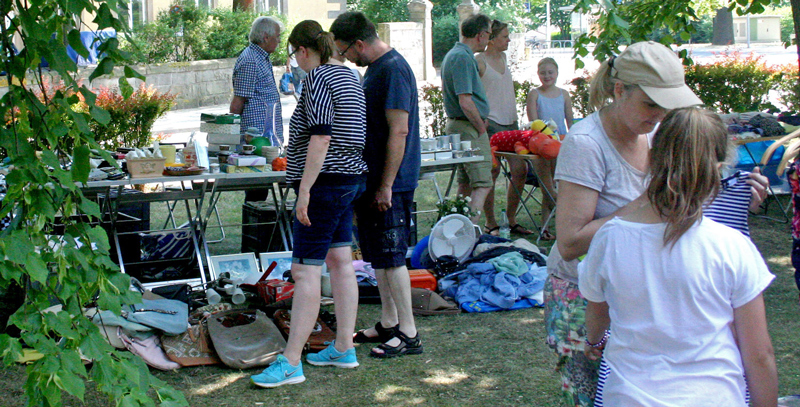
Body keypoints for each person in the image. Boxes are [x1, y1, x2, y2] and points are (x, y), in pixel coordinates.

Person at [544, 41, 770, 406]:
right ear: (619, 90)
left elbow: (679, 213)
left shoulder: (653, 131)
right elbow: (570, 242)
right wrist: (649, 200)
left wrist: (732, 196)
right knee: (591, 394)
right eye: (651, 103)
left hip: (632, 285)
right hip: (585, 294)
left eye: (667, 105)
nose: (660, 114)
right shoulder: (586, 144)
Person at [580, 107, 778, 406]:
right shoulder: (732, 246)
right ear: (719, 167)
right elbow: (759, 354)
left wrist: (595, 341)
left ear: (652, 158)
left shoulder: (609, 239)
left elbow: (597, 311)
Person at [250, 20, 367, 388]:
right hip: (349, 179)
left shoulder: (316, 79)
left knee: (305, 271)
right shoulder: (349, 76)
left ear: (302, 51)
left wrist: (305, 191)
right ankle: (344, 345)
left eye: (293, 56)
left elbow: (320, 137)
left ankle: (290, 361)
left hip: (325, 183)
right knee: (340, 262)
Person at [331, 11, 423, 358]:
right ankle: (389, 320)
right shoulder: (375, 69)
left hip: (392, 183)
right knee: (378, 256)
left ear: (359, 43)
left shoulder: (394, 69)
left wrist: (385, 185)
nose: (345, 58)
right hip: (375, 180)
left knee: (393, 256)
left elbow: (399, 129)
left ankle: (409, 331)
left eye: (345, 51)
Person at [476, 19, 534, 236]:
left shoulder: (503, 57)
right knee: (492, 171)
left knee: (521, 170)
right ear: (491, 38)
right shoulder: (479, 61)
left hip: (511, 122)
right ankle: (490, 222)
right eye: (505, 36)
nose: (509, 39)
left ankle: (510, 218)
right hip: (491, 122)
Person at [440, 13, 493, 223]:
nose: (489, 39)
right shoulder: (462, 57)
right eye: (489, 34)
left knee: (466, 183)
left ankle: (455, 232)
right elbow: (465, 101)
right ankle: (467, 234)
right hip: (468, 127)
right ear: (480, 35)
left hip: (460, 126)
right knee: (483, 183)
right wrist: (481, 128)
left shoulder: (456, 54)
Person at [524, 57, 574, 240]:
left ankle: (550, 225)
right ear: (538, 74)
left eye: (550, 72)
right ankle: (560, 218)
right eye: (543, 73)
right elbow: (534, 123)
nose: (547, 76)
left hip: (560, 144)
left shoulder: (564, 94)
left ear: (557, 73)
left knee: (556, 182)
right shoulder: (534, 94)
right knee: (547, 185)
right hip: (542, 144)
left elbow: (570, 120)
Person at [230, 16, 284, 148]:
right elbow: (238, 102)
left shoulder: (261, 56)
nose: (279, 40)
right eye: (277, 36)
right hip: (255, 137)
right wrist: (232, 136)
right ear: (266, 37)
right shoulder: (251, 60)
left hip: (266, 134)